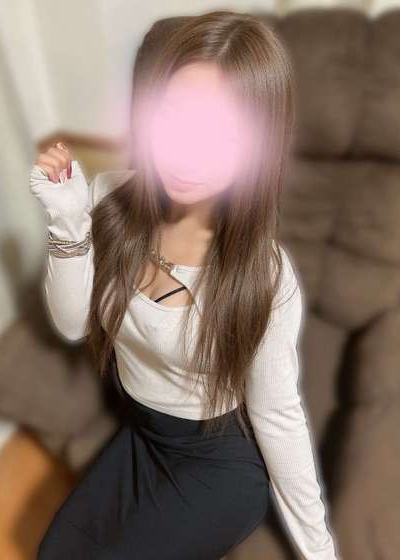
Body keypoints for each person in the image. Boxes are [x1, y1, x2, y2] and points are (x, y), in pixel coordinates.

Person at [29, 10, 340, 560]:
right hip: (143, 434)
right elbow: (73, 324)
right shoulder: (109, 197)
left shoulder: (265, 277)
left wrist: (321, 552)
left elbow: (278, 416)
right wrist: (68, 222)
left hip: (220, 461)